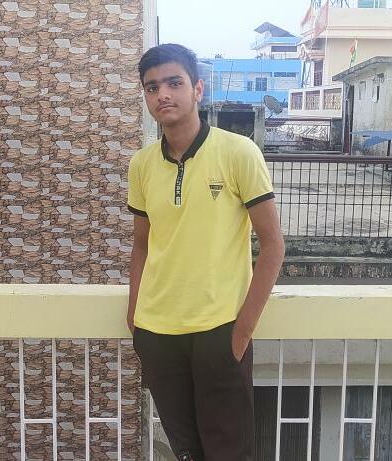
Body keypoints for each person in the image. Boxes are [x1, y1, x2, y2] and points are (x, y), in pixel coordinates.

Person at [127, 43, 285, 461]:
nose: (163, 94)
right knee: (186, 452)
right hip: (158, 333)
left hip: (219, 329)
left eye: (174, 83)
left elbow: (272, 246)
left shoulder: (238, 152)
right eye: (152, 87)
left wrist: (241, 333)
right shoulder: (141, 164)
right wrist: (135, 318)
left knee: (228, 452)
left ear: (197, 89)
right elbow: (142, 244)